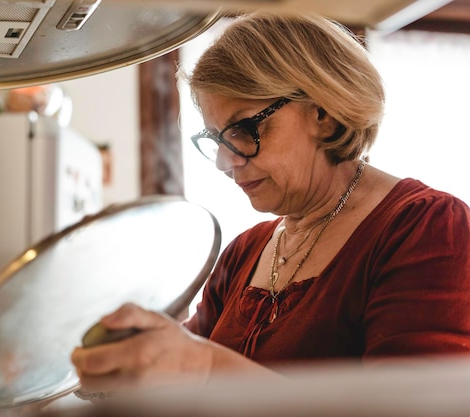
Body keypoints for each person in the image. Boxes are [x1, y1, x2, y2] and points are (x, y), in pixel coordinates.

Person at [70, 11, 470, 396]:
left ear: (323, 113)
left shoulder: (425, 227)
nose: (226, 162)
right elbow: (178, 374)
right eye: (217, 139)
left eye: (244, 128)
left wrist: (205, 369)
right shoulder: (243, 252)